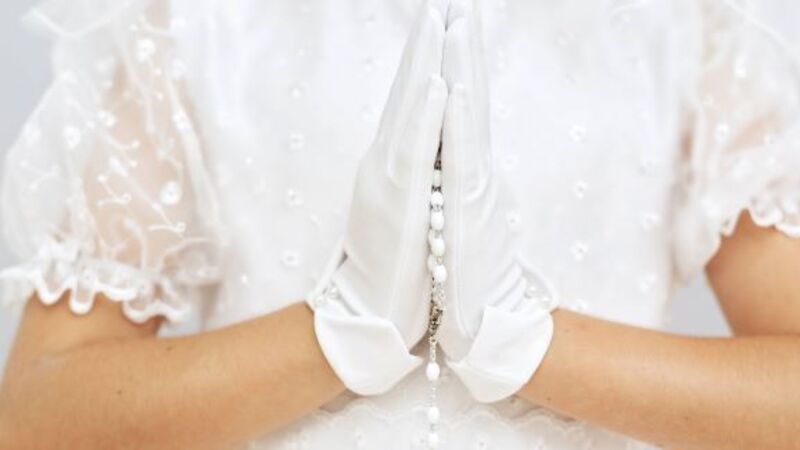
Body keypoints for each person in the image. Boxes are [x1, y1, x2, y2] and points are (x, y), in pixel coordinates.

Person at [1, 0, 799, 448]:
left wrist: (533, 344)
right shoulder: (206, 23)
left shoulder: (683, 25)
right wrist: (332, 335)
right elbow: (37, 412)